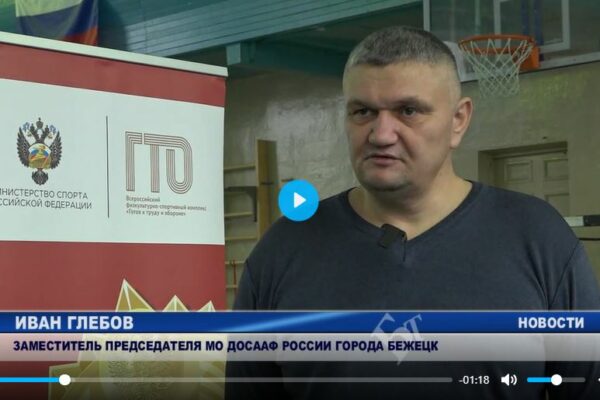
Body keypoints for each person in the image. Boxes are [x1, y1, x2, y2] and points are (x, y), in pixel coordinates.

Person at [225, 26, 600, 399]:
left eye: (408, 111)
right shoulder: (284, 250)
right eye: (363, 111)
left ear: (458, 120)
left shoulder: (538, 238)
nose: (381, 134)